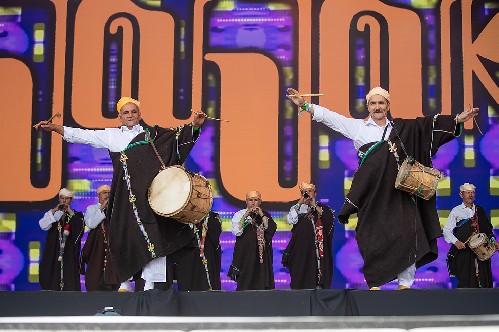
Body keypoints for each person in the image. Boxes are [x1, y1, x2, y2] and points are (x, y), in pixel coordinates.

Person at [287, 87, 479, 290]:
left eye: (381, 103)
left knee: (409, 234)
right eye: (373, 103)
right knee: (371, 235)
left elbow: (427, 128)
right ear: (367, 106)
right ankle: (376, 282)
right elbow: (331, 118)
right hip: (373, 194)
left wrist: (457, 119)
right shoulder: (358, 128)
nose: (377, 107)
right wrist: (305, 105)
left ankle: (405, 285)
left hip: (401, 193)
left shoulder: (402, 129)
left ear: (388, 106)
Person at [34, 97, 206, 290]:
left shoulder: (153, 135)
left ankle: (150, 284)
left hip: (150, 199)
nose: (130, 115)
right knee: (124, 237)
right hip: (126, 200)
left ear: (140, 115)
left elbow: (177, 138)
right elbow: (83, 135)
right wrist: (56, 128)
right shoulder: (111, 136)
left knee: (156, 238)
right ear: (120, 117)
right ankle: (124, 282)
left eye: (134, 112)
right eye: (126, 113)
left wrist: (195, 125)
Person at [443, 183, 498, 288]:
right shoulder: (456, 211)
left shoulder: (479, 210)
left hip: (481, 252)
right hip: (464, 253)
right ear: (461, 195)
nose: (470, 195)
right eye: (468, 193)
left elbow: (487, 229)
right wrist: (456, 242)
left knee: (484, 280)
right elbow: (447, 231)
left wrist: (493, 241)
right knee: (466, 281)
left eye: (472, 192)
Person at [282, 182, 335, 289]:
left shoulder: (322, 208)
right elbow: (290, 220)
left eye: (310, 191)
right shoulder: (297, 208)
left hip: (317, 251)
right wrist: (300, 203)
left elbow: (328, 222)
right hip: (301, 250)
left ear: (315, 193)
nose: (307, 194)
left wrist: (314, 205)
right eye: (304, 192)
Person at [228, 191, 277, 290]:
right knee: (245, 281)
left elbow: (270, 229)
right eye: (250, 200)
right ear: (246, 201)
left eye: (256, 200)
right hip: (245, 254)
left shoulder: (265, 215)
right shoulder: (239, 214)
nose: (253, 203)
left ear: (260, 202)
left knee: (261, 281)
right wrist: (246, 216)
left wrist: (261, 214)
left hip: (261, 255)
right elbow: (236, 231)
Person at [39, 188, 85, 291]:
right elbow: (43, 225)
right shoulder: (52, 214)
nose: (64, 201)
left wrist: (70, 212)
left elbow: (80, 230)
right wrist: (55, 210)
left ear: (71, 200)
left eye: (67, 199)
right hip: (53, 250)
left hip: (68, 252)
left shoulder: (76, 215)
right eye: (62, 198)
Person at [79, 184, 121, 291]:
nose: (107, 195)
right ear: (98, 195)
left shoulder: (116, 208)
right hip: (96, 247)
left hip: (112, 246)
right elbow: (91, 224)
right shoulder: (92, 208)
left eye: (109, 193)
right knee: (95, 274)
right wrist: (102, 208)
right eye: (104, 193)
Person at [189, 211, 223, 290]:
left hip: (208, 254)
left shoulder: (213, 217)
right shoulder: (185, 217)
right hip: (191, 258)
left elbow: (216, 236)